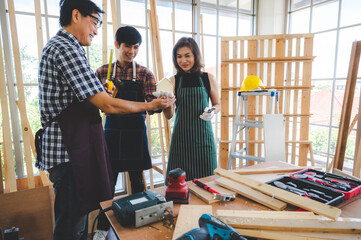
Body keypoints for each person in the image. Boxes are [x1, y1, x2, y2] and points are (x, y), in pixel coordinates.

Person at [36, 1, 174, 240]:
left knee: (77, 220)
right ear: (76, 15)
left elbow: (86, 99)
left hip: (84, 146)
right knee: (71, 225)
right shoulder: (65, 48)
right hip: (68, 151)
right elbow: (107, 105)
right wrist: (148, 105)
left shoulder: (72, 48)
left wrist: (156, 104)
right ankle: (103, 231)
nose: (96, 30)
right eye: (95, 22)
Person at [94, 26, 171, 238]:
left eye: (136, 47)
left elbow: (151, 106)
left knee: (138, 182)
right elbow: (95, 105)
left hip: (136, 133)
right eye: (128, 46)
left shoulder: (145, 74)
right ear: (117, 44)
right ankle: (102, 229)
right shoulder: (102, 72)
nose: (132, 51)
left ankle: (141, 227)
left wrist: (162, 103)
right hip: (112, 133)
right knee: (108, 185)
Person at [164, 37, 220, 184]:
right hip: (181, 140)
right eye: (179, 56)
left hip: (203, 140)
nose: (183, 60)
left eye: (187, 56)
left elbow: (218, 104)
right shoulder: (173, 81)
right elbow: (169, 115)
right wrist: (167, 105)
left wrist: (212, 111)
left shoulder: (208, 78)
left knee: (208, 180)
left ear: (195, 55)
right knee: (178, 183)